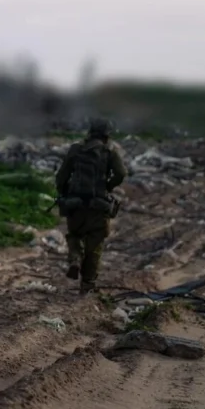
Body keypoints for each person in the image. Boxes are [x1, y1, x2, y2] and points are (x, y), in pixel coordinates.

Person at [55, 118, 127, 295]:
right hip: (98, 207)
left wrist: (65, 193)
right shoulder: (110, 151)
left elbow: (61, 176)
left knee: (74, 236)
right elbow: (121, 173)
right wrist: (107, 187)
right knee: (94, 246)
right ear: (107, 134)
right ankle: (87, 285)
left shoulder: (76, 149)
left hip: (75, 205)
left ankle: (74, 259)